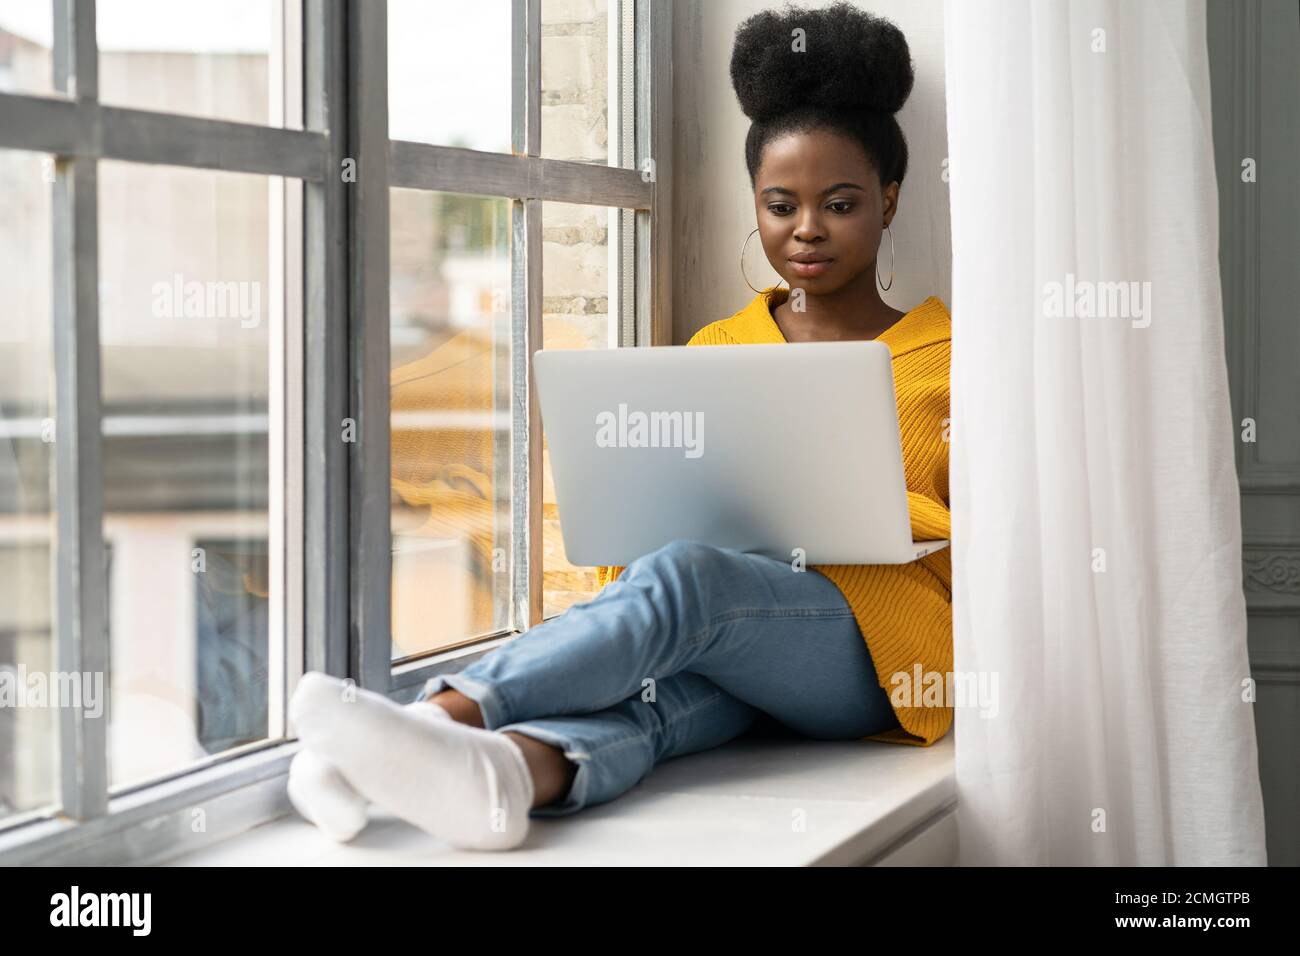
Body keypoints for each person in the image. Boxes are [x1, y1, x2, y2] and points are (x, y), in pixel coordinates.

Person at [287, 1, 953, 852]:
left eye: (841, 203)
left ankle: (427, 715)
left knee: (690, 581)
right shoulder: (716, 350)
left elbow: (987, 544)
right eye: (781, 204)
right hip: (736, 644)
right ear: (755, 206)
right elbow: (649, 529)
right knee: (658, 703)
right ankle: (497, 775)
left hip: (878, 655)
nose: (807, 229)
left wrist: (872, 517)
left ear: (888, 203)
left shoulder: (949, 354)